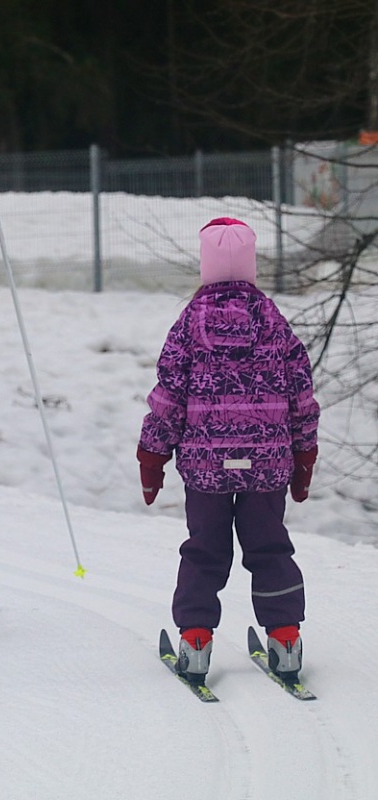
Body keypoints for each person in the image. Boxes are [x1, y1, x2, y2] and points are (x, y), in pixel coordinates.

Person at [136, 217, 320, 685]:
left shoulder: (189, 325)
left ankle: (196, 643)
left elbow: (169, 396)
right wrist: (304, 453)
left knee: (204, 552)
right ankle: (285, 641)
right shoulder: (275, 323)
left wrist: (152, 455)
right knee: (270, 547)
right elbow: (301, 392)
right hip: (267, 465)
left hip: (205, 467)